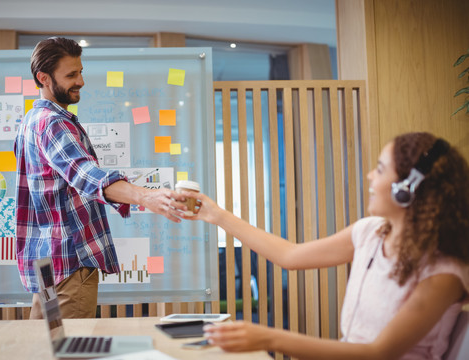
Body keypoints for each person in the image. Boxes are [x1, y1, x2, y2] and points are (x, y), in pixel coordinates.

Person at [180, 132, 469, 359]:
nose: (370, 176)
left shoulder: (443, 272)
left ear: (407, 189)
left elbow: (378, 353)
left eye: (380, 170)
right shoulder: (370, 232)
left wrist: (268, 338)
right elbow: (289, 255)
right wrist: (215, 214)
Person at [14, 37, 188, 320]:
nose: (80, 81)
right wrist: (147, 197)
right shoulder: (53, 123)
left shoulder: (31, 121)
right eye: (71, 74)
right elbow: (87, 175)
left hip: (46, 263)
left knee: (44, 347)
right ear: (43, 78)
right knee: (68, 349)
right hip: (69, 263)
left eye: (80, 71)